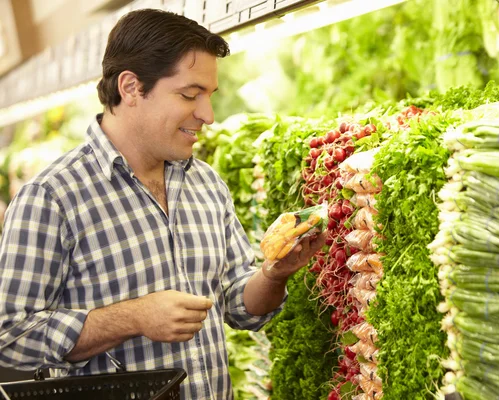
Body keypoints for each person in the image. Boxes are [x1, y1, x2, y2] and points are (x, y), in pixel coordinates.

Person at [0, 9, 324, 399]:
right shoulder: (52, 197)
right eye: (190, 95)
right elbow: (10, 334)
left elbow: (237, 306)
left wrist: (273, 274)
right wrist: (133, 317)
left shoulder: (206, 183)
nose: (207, 115)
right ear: (131, 87)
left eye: (209, 95)